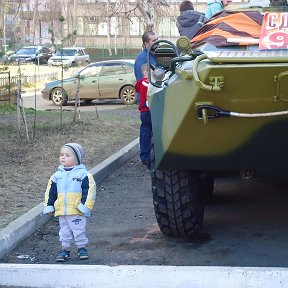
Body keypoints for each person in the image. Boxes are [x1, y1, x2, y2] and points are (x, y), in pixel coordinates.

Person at [43, 143, 96, 262]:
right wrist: (49, 206)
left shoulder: (83, 175)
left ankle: (82, 248)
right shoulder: (56, 176)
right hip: (62, 211)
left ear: (76, 159)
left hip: (77, 210)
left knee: (79, 230)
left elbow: (89, 191)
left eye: (67, 155)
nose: (63, 157)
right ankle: (65, 249)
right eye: (61, 155)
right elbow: (50, 192)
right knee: (64, 232)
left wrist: (84, 206)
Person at [135, 63, 152, 169]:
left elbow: (136, 88)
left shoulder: (141, 82)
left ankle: (145, 156)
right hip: (151, 111)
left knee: (145, 132)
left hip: (144, 112)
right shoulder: (154, 83)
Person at [134, 31, 158, 104]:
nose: (157, 42)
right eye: (154, 41)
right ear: (146, 44)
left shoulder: (153, 55)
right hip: (147, 100)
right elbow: (143, 82)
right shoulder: (142, 59)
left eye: (157, 39)